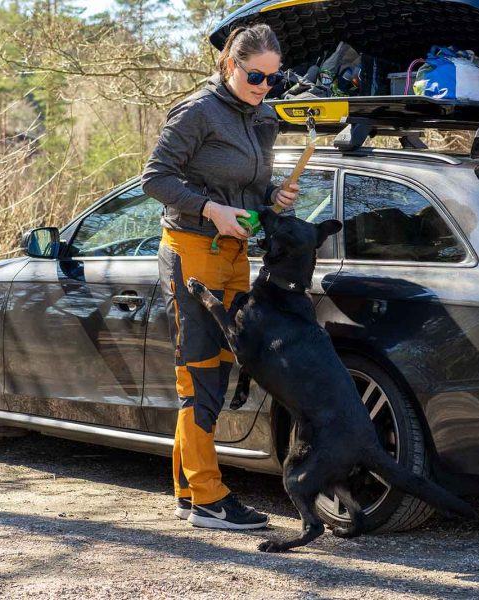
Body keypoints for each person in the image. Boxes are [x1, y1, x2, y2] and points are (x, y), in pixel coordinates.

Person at [141, 24, 298, 530]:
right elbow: (156, 178)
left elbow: (252, 186)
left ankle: (190, 492)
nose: (264, 87)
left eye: (273, 79)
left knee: (217, 369)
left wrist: (273, 200)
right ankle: (210, 499)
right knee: (200, 371)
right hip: (192, 251)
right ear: (230, 64)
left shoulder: (264, 117)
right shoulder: (195, 112)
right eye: (256, 76)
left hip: (236, 253)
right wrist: (210, 209)